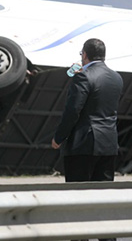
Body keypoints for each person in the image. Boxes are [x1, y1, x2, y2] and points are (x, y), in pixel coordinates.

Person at [52, 38, 123, 241]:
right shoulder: (116, 77)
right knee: (103, 200)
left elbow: (73, 111)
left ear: (84, 54)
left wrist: (59, 137)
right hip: (108, 143)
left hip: (83, 144)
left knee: (78, 199)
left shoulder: (82, 76)